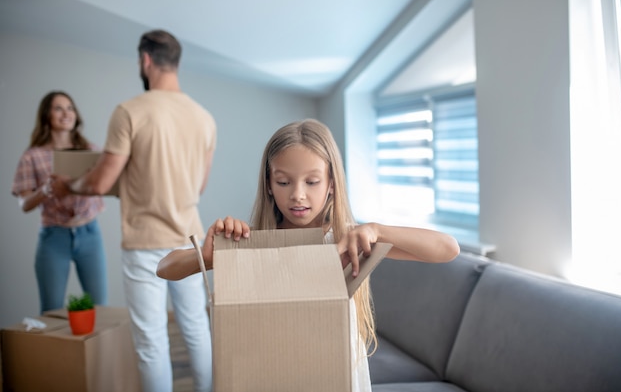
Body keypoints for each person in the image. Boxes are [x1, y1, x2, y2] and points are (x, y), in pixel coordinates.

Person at [156, 118, 459, 391]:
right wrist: (211, 257)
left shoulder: (346, 240)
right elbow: (165, 268)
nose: (297, 194)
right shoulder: (254, 242)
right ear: (269, 185)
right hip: (269, 373)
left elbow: (447, 249)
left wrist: (376, 230)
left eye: (312, 182)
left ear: (331, 184)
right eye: (284, 182)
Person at [53, 30, 216, 392]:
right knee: (196, 328)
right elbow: (199, 187)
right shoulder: (204, 118)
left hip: (145, 244)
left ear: (145, 60)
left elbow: (98, 183)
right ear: (175, 62)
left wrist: (70, 185)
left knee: (151, 341)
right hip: (191, 239)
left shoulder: (130, 111)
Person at [11, 91, 108, 314]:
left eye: (70, 108)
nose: (66, 113)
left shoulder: (92, 151)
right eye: (58, 108)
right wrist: (44, 190)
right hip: (53, 237)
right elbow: (24, 203)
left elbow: (105, 185)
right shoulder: (32, 156)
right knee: (51, 309)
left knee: (100, 307)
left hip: (90, 234)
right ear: (47, 115)